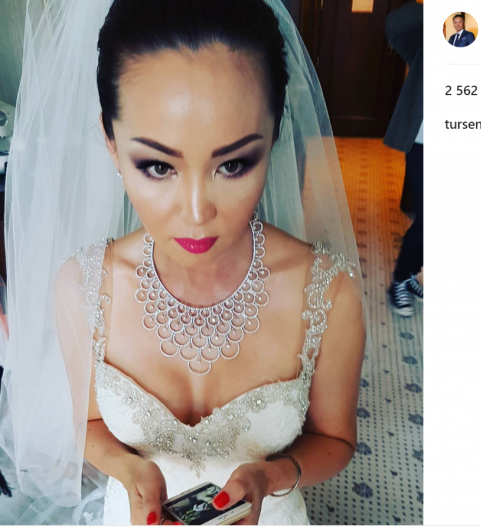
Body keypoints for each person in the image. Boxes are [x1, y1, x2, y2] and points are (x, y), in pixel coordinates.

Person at [0, 0, 367, 524]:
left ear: (273, 136)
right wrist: (129, 470)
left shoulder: (329, 292)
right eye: (157, 166)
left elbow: (335, 439)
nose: (197, 214)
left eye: (233, 164)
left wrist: (272, 476)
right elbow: (89, 424)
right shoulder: (83, 286)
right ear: (110, 142)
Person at [384, 1, 424, 317]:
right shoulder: (435, 35)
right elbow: (395, 25)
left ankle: (409, 274)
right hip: (425, 145)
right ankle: (400, 279)